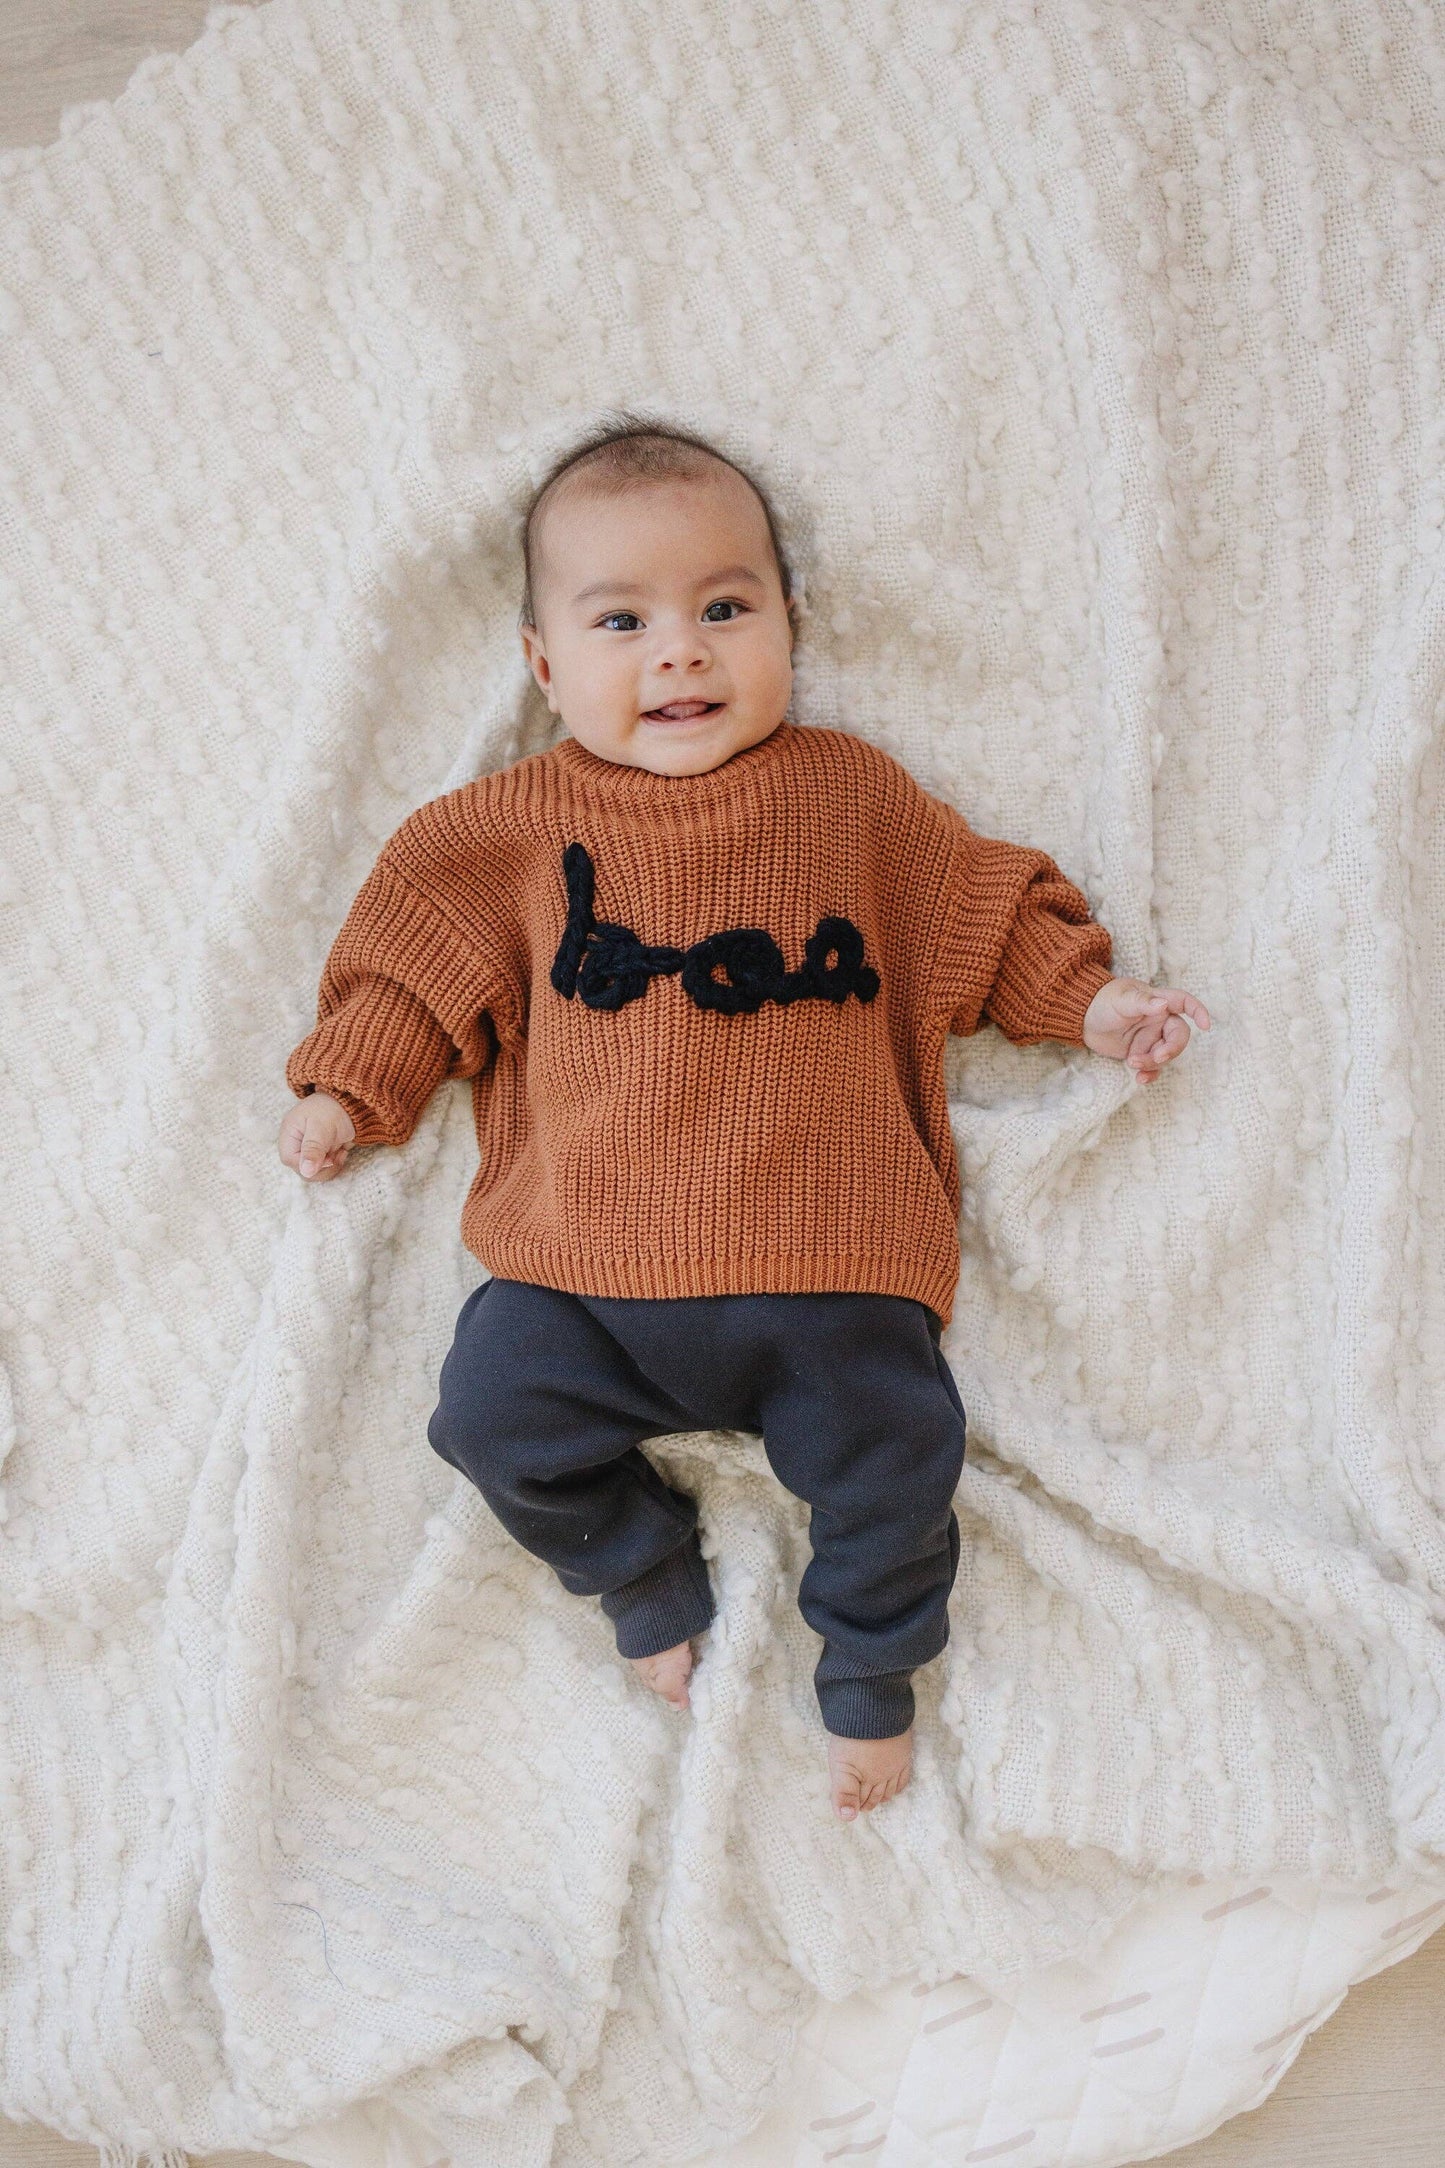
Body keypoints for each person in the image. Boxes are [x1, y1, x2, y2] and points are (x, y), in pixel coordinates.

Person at [277, 415, 1211, 1823]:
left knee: (899, 1459)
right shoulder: (508, 832)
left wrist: (1086, 1006)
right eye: (621, 620)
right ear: (544, 667)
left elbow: (976, 917)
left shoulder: (851, 801)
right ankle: (640, 1572)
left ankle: (871, 1672)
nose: (681, 651)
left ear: (787, 623)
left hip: (833, 1264)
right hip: (583, 1274)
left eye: (726, 607)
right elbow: (416, 965)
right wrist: (350, 1085)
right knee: (485, 1414)